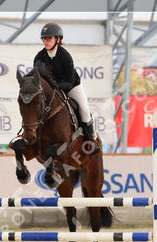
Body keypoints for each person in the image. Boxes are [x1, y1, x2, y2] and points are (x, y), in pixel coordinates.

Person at [11, 23, 98, 153]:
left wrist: (55, 87)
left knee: (84, 110)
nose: (45, 41)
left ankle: (91, 141)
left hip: (71, 86)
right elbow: (38, 80)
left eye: (49, 39)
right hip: (51, 89)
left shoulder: (65, 57)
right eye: (44, 39)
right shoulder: (39, 57)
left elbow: (69, 82)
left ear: (58, 40)